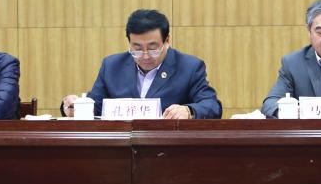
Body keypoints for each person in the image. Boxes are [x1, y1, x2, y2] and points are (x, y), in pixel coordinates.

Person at [61, 9, 221, 119]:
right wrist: (71, 107)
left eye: (153, 48)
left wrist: (188, 110)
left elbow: (212, 105)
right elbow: (94, 107)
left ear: (167, 41)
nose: (145, 56)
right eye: (137, 49)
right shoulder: (112, 66)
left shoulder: (189, 67)